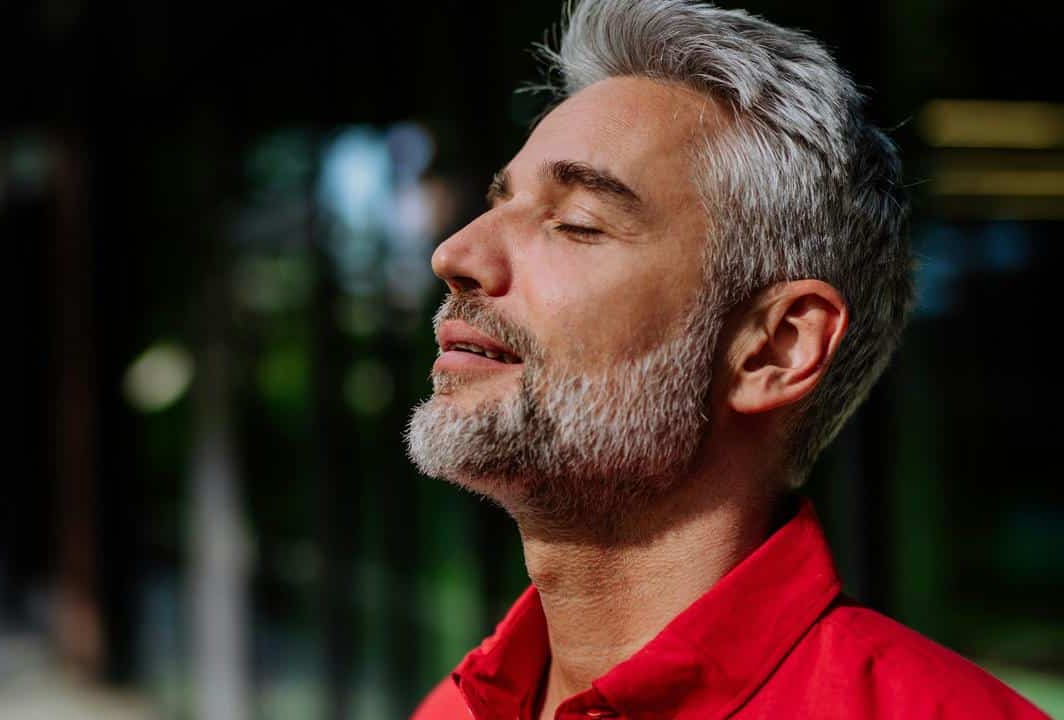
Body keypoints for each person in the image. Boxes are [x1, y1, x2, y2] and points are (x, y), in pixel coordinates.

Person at [404, 0, 1049, 718]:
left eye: (577, 223)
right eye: (499, 204)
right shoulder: (455, 707)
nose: (455, 254)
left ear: (775, 348)